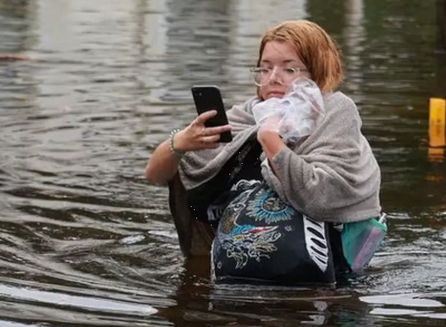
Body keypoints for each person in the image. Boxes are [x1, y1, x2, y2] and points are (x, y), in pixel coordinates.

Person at [144, 19, 384, 273]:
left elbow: (323, 197)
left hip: (323, 270)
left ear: (317, 71)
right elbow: (155, 174)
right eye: (265, 68)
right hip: (243, 263)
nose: (273, 79)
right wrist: (179, 143)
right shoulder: (249, 113)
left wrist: (271, 140)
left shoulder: (336, 111)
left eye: (290, 70)